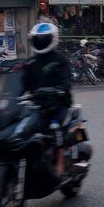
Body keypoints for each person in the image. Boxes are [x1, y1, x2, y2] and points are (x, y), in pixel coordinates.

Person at [22, 23, 73, 178]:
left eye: (44, 39)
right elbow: (22, 84)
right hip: (36, 105)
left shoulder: (61, 61)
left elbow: (66, 81)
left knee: (59, 129)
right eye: (38, 39)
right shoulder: (30, 63)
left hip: (58, 103)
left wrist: (59, 90)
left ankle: (60, 162)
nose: (41, 41)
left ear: (53, 39)